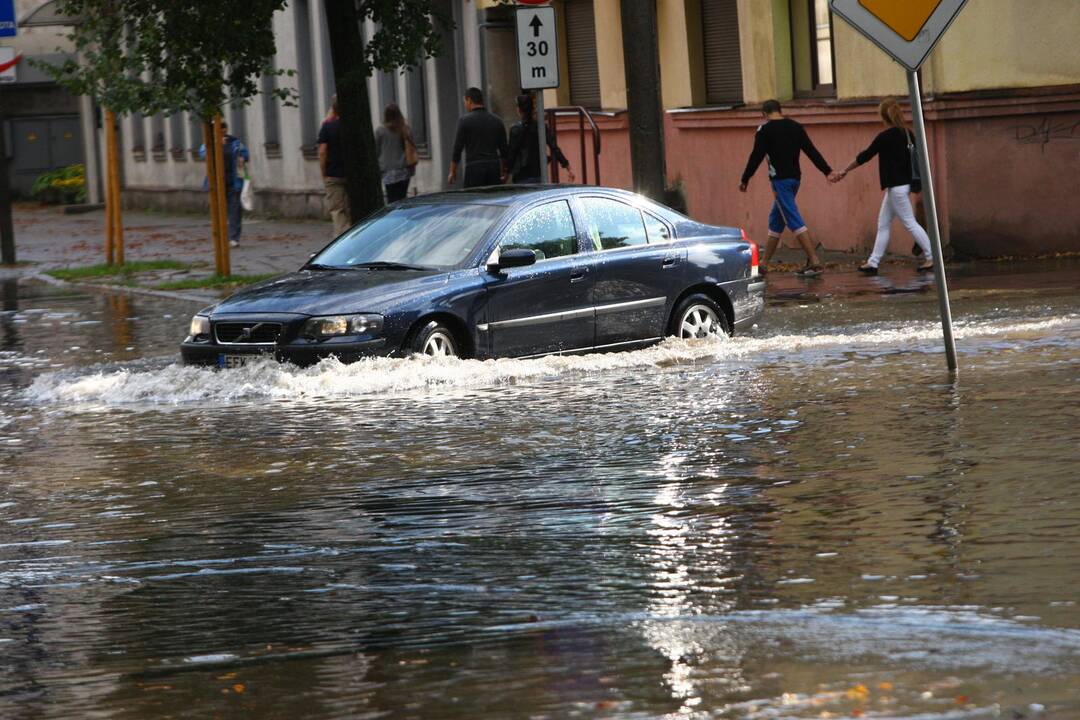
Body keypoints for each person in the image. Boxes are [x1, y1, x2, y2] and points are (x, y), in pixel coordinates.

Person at [830, 98, 934, 275]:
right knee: (883, 223)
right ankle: (873, 262)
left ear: (883, 117)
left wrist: (845, 170)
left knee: (909, 223)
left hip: (896, 188)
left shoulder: (885, 137)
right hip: (903, 185)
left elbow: (865, 156)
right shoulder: (907, 134)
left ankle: (932, 257)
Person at [739, 99, 831, 276]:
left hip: (779, 182)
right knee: (776, 219)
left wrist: (745, 179)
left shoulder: (764, 130)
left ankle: (814, 261)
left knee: (792, 217)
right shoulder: (795, 127)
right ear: (780, 111)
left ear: (764, 114)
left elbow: (756, 156)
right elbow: (811, 150)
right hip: (795, 179)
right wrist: (826, 171)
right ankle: (763, 264)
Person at [200, 121, 249, 247]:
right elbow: (203, 155)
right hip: (216, 183)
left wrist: (243, 158)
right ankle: (220, 236)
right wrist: (217, 146)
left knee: (235, 210)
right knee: (219, 210)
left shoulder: (235, 142)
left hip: (233, 181)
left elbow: (245, 153)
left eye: (224, 129)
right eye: (219, 130)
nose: (223, 132)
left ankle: (233, 238)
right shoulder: (209, 143)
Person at [505, 93, 575, 184]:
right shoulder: (541, 127)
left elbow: (511, 153)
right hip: (538, 171)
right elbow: (554, 147)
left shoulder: (516, 130)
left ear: (519, 109)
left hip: (521, 174)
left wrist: (507, 171)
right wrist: (567, 165)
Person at [447, 87, 508, 188]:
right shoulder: (497, 121)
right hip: (493, 168)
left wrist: (452, 171)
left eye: (465, 101)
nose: (465, 104)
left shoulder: (464, 121)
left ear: (469, 100)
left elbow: (457, 149)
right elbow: (504, 150)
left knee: (474, 200)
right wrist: (504, 171)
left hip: (473, 168)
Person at [318, 95, 350, 236]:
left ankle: (342, 237)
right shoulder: (353, 125)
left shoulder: (328, 127)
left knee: (337, 209)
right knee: (351, 208)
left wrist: (323, 172)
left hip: (333, 173)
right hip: (351, 173)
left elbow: (323, 152)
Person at [375, 103, 416, 203]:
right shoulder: (405, 129)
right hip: (403, 169)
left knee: (391, 199)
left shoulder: (380, 131)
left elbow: (376, 151)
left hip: (387, 170)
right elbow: (411, 148)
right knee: (402, 198)